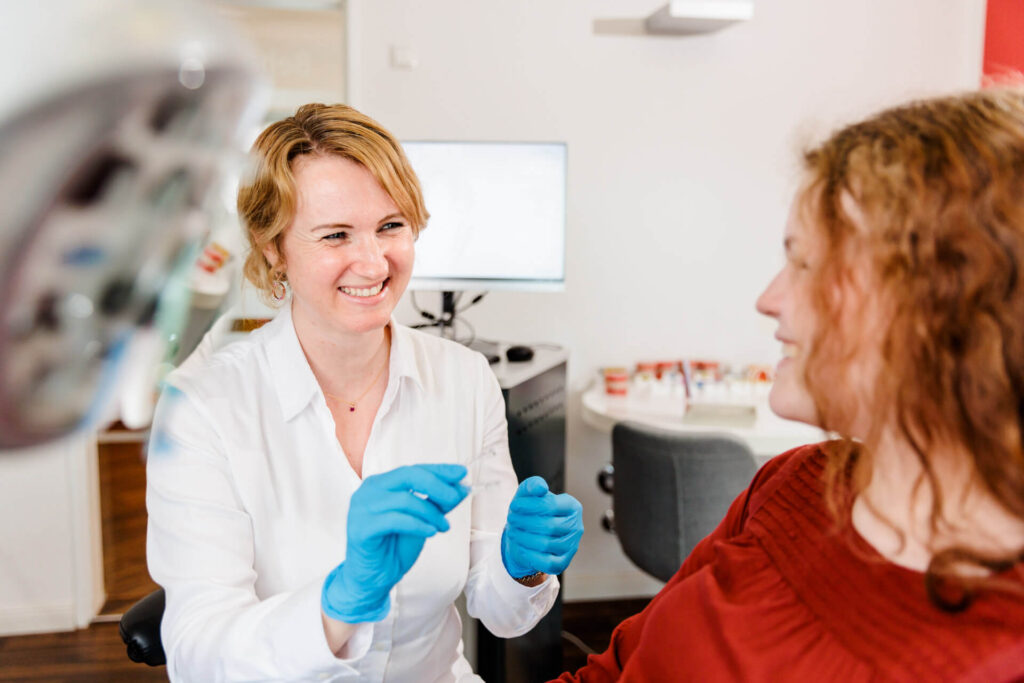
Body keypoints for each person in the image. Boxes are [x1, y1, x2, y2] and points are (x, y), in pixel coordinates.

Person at [556, 88, 1024, 681]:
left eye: (806, 264)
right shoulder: (793, 483)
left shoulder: (997, 655)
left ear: (943, 308)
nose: (769, 299)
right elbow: (611, 671)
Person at [146, 102, 584, 682]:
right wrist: (340, 600)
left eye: (391, 226)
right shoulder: (203, 408)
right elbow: (199, 657)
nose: (374, 261)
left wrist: (520, 567)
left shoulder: (464, 379)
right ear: (273, 246)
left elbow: (499, 613)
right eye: (335, 235)